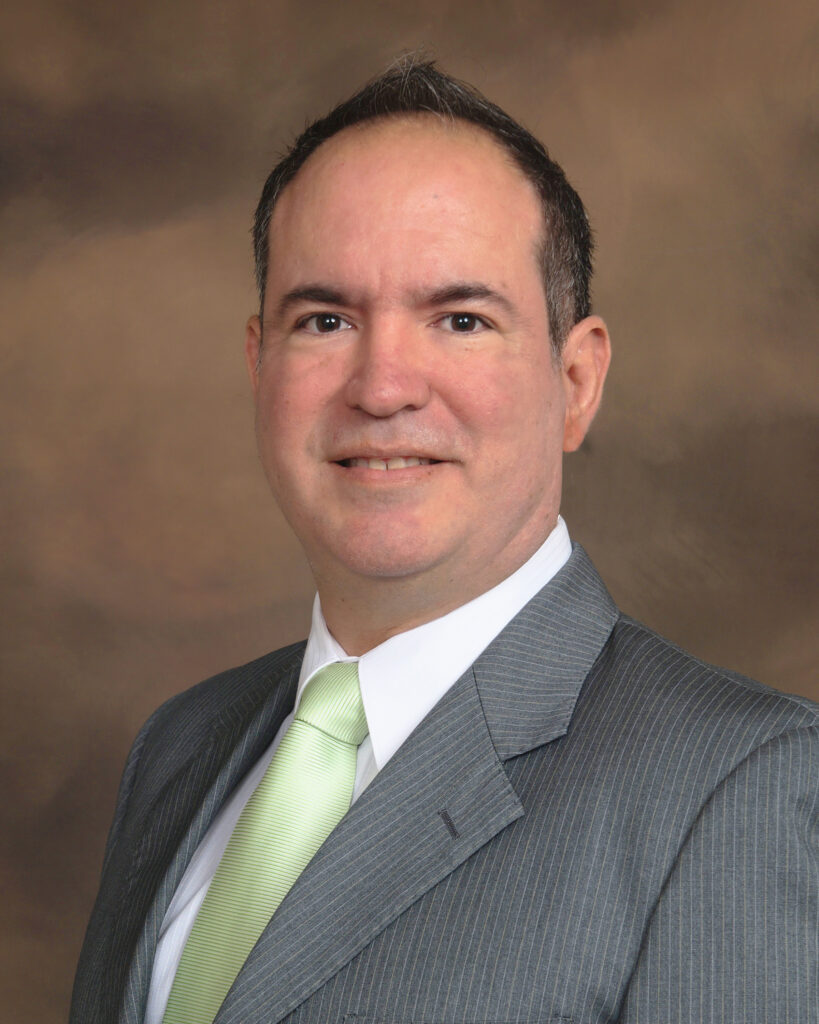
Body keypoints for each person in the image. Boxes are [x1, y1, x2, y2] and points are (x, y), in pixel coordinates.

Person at [71, 59, 818, 1024]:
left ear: (576, 382)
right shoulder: (180, 747)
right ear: (260, 365)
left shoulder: (739, 784)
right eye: (325, 320)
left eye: (460, 320)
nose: (382, 387)